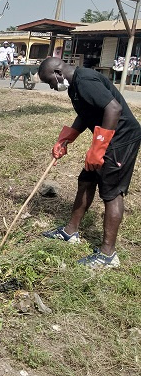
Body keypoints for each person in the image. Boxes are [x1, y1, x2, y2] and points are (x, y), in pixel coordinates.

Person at [38, 57, 141, 269]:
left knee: (111, 192)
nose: (51, 86)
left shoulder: (85, 80)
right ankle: (71, 232)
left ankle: (108, 254)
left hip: (121, 138)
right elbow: (85, 116)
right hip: (107, 138)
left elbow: (113, 109)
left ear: (58, 73)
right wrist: (65, 139)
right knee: (86, 180)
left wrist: (98, 148)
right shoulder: (73, 88)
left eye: (50, 82)